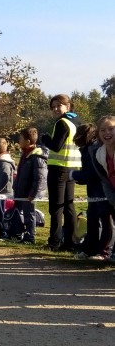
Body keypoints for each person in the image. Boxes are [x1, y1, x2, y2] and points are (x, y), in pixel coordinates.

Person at [41, 94, 81, 252]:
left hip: (59, 168)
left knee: (56, 207)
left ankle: (55, 242)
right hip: (72, 168)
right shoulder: (75, 122)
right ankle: (70, 242)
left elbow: (56, 146)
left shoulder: (61, 123)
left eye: (59, 105)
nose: (56, 109)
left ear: (67, 106)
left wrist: (45, 139)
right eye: (53, 107)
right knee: (69, 206)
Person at [71, 124, 113, 260]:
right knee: (93, 222)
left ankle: (104, 251)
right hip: (94, 193)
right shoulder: (87, 150)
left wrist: (73, 175)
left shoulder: (92, 150)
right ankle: (90, 250)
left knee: (105, 223)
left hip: (102, 192)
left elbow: (92, 173)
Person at [10, 127, 48, 245]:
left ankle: (30, 236)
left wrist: (33, 193)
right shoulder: (25, 154)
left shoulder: (37, 156)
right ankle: (20, 233)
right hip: (22, 190)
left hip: (30, 192)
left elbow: (40, 177)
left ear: (27, 141)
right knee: (21, 213)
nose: (19, 141)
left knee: (30, 214)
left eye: (21, 138)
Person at [87, 115, 115, 259]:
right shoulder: (98, 153)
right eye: (103, 130)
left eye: (111, 129)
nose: (107, 133)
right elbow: (105, 179)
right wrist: (112, 199)